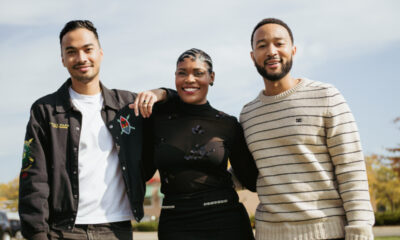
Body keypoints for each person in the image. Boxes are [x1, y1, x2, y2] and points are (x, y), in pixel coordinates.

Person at [18, 20, 165, 240]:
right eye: (71, 52)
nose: (81, 58)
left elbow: (176, 100)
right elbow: (33, 178)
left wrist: (160, 92)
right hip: (63, 231)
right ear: (62, 59)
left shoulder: (127, 105)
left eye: (88, 49)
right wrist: (37, 234)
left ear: (100, 52)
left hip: (117, 229)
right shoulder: (45, 111)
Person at [240, 18, 375, 240]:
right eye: (262, 45)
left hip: (328, 233)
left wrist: (360, 229)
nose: (271, 51)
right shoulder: (248, 114)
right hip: (269, 234)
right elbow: (248, 172)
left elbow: (350, 167)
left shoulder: (326, 96)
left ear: (293, 50)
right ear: (253, 56)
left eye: (279, 43)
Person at [127, 48, 258, 240]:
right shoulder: (156, 120)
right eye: (182, 73)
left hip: (226, 221)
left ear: (211, 77)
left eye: (198, 73)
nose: (189, 79)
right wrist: (162, 93)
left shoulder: (227, 123)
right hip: (175, 223)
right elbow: (142, 172)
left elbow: (251, 179)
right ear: (175, 77)